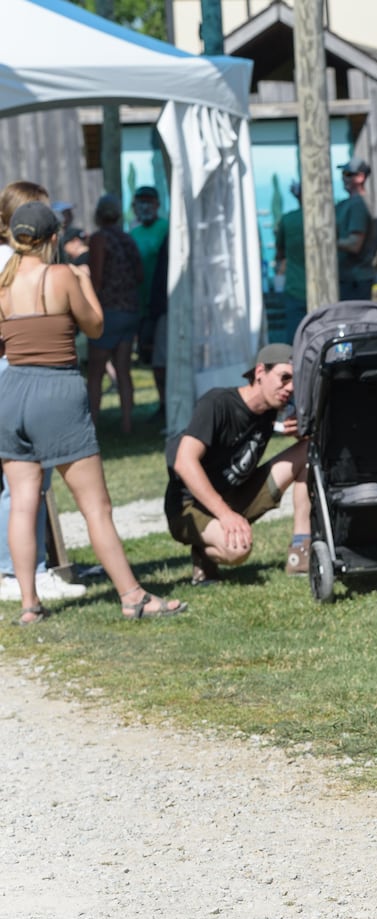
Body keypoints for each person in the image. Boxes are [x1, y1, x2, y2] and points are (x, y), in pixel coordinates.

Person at [0, 201, 185, 622]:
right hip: (56, 390)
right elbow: (96, 326)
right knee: (95, 507)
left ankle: (29, 605)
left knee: (24, 502)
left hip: (11, 393)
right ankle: (132, 595)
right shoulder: (61, 275)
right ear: (53, 238)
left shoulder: (3, 283)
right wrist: (83, 281)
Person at [0, 181, 86, 604]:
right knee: (26, 487)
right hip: (25, 377)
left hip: (12, 379)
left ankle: (26, 575)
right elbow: (94, 323)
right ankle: (20, 573)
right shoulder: (17, 265)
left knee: (20, 488)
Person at [165, 343, 311, 585]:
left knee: (308, 450)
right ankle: (203, 553)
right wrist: (225, 515)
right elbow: (184, 462)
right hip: (189, 505)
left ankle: (301, 549)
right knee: (238, 549)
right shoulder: (217, 403)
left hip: (233, 495)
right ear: (260, 373)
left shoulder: (272, 410)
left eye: (295, 381)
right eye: (284, 378)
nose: (291, 388)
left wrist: (298, 432)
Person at [84, 195, 144, 433]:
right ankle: (127, 423)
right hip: (130, 310)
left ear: (98, 216)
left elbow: (96, 277)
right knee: (123, 369)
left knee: (96, 372)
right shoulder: (127, 238)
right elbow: (139, 275)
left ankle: (93, 424)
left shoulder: (99, 239)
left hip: (108, 311)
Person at [129, 185, 170, 407]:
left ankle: (167, 403)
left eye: (149, 201)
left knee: (162, 358)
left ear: (157, 205)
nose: (145, 206)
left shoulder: (166, 229)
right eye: (140, 202)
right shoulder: (133, 233)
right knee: (150, 355)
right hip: (142, 305)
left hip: (162, 303)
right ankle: (162, 401)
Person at [335, 158, 376, 301]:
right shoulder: (345, 204)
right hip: (348, 279)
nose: (343, 178)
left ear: (360, 177)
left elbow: (354, 244)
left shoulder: (359, 205)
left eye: (347, 174)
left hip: (355, 281)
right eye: (343, 174)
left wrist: (327, 243)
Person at [274, 180, 307, 344]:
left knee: (295, 341)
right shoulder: (332, 217)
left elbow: (279, 253)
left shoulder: (287, 220)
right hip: (327, 289)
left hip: (295, 289)